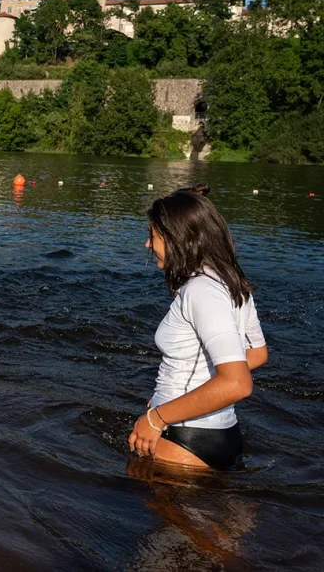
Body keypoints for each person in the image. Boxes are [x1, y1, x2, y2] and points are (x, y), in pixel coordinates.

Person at [129, 187, 268, 470]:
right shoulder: (232, 283)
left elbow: (237, 383)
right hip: (221, 432)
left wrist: (157, 417)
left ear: (176, 239)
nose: (147, 245)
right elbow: (257, 353)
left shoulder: (201, 290)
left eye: (152, 236)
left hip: (184, 437)